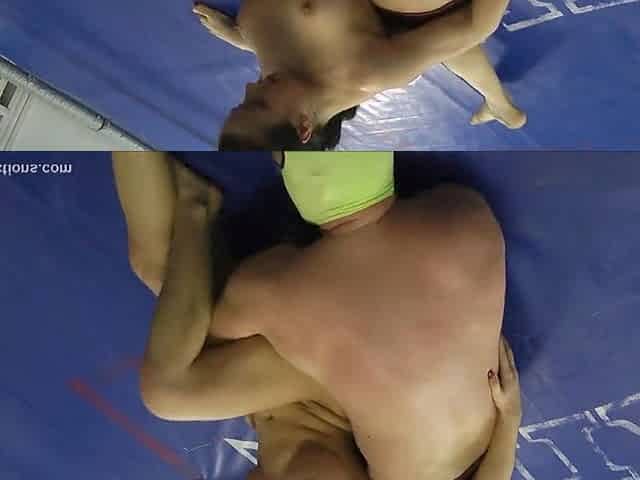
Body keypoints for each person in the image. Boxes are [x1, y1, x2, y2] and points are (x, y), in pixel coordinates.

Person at [112, 152, 523, 480]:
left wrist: (507, 423)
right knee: (167, 391)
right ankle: (195, 206)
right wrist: (508, 425)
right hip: (323, 368)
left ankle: (122, 118)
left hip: (295, 363)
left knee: (155, 265)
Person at [192, 0, 527, 150]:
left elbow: (284, 39)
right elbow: (475, 26)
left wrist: (239, 36)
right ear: (304, 126)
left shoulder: (280, 82)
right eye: (258, 104)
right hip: (401, 18)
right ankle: (502, 107)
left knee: (436, 42)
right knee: (437, 32)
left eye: (241, 103)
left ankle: (501, 107)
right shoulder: (369, 71)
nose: (252, 87)